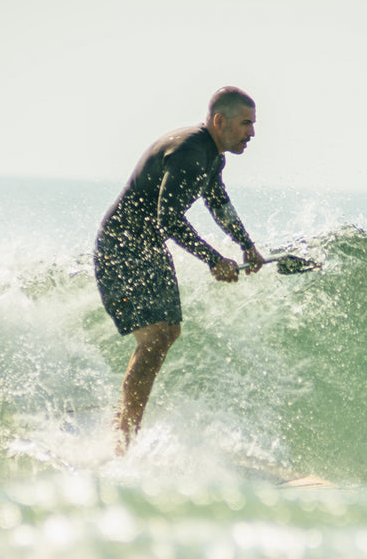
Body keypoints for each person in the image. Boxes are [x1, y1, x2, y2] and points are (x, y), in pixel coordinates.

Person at [94, 86, 264, 454]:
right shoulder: (189, 153)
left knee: (168, 333)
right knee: (155, 338)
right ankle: (124, 438)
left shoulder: (211, 157)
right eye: (245, 124)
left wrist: (246, 244)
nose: (252, 133)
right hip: (122, 246)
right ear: (219, 121)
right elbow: (168, 218)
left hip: (147, 246)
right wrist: (214, 259)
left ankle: (123, 423)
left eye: (253, 124)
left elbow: (218, 202)